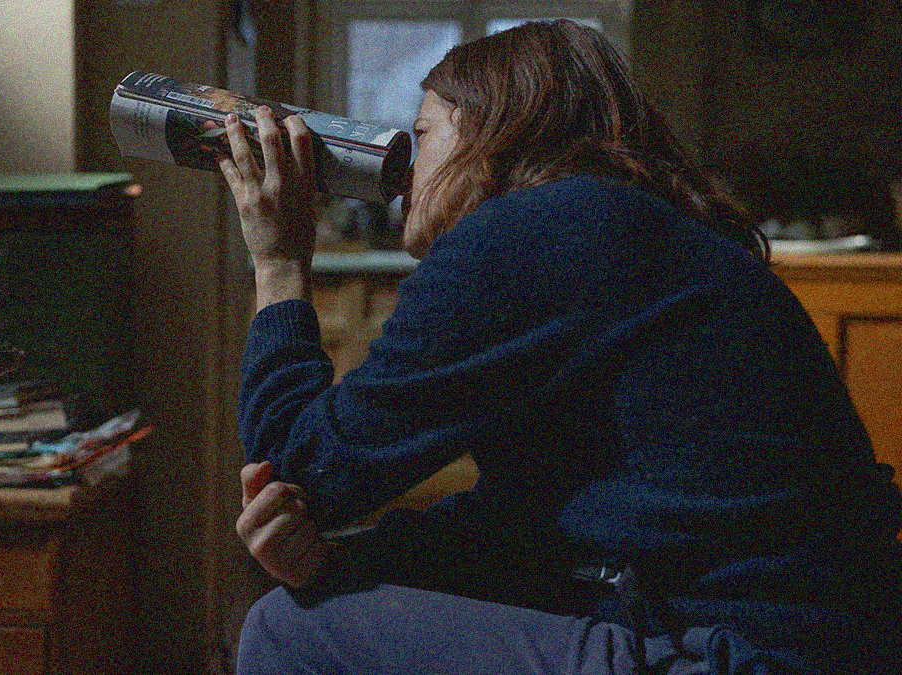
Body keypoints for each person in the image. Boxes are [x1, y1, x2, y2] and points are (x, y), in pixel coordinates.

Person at [214, 19, 902, 675]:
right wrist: (338, 559)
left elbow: (296, 467)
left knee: (286, 628)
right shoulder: (629, 232)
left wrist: (277, 263)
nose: (402, 176)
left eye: (422, 134)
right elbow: (519, 521)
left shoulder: (530, 229)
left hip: (741, 651)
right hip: (826, 641)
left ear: (494, 130)